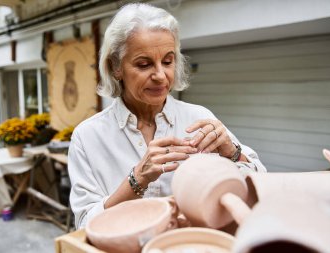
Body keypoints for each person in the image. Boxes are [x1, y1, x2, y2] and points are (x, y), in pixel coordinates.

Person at [68, 3, 266, 229]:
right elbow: (84, 226)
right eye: (144, 64)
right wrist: (136, 180)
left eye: (168, 61)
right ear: (115, 67)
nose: (161, 76)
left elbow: (261, 182)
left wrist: (233, 153)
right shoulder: (88, 136)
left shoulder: (199, 118)